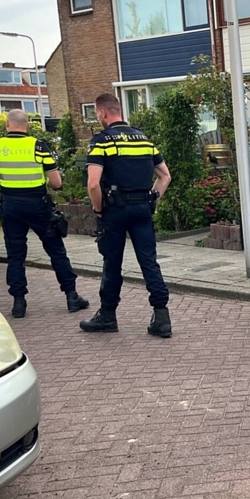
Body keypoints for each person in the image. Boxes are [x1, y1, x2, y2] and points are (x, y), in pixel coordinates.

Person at [0, 109, 89, 318]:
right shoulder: (39, 146)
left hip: (10, 206)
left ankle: (19, 303)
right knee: (56, 251)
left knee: (16, 255)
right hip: (38, 205)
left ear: (7, 125)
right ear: (27, 126)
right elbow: (56, 183)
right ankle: (72, 296)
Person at [79, 93, 173, 338]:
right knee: (149, 262)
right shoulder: (144, 140)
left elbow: (92, 184)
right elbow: (165, 176)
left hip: (114, 211)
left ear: (102, 113)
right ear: (119, 110)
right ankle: (161, 317)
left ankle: (107, 316)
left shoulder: (102, 141)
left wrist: (99, 209)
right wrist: (152, 199)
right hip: (142, 209)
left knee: (112, 264)